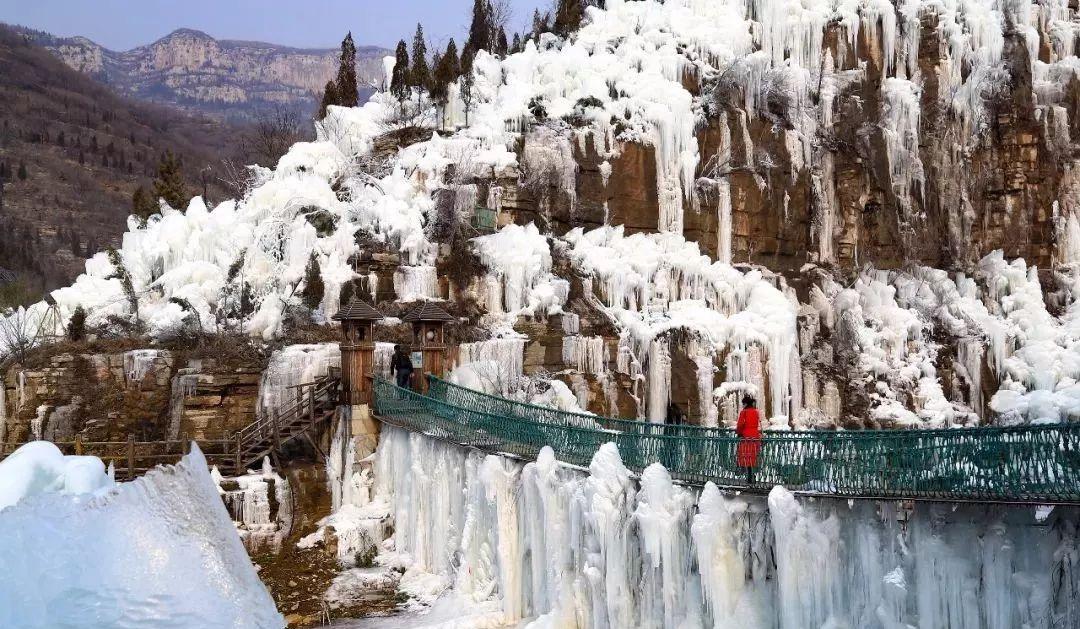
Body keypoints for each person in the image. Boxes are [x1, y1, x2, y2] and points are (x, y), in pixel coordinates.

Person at [736, 394, 762, 484]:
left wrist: (739, 433)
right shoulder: (756, 412)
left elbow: (740, 425)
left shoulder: (744, 412)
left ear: (746, 404)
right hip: (755, 437)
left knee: (745, 456)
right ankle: (752, 476)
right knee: (752, 457)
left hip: (746, 437)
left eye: (743, 404)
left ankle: (748, 477)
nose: (742, 405)